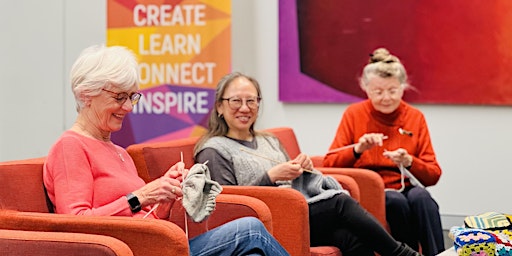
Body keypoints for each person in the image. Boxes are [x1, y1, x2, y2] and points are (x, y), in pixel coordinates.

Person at [43, 45, 289, 256]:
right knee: (249, 229)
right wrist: (141, 196)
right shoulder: (71, 146)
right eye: (119, 97)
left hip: (155, 244)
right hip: (135, 251)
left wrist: (165, 195)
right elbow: (74, 224)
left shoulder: (119, 151)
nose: (128, 107)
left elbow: (146, 219)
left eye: (132, 97)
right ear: (86, 95)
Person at [194, 71, 422, 256]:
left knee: (350, 238)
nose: (244, 108)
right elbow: (228, 206)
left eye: (251, 101)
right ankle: (402, 254)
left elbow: (291, 184)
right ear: (220, 107)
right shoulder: (214, 149)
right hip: (265, 222)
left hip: (297, 210)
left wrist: (301, 168)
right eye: (236, 101)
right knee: (339, 202)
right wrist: (270, 177)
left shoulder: (269, 140)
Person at [322, 48, 444, 256]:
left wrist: (409, 161)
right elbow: (329, 163)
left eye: (392, 91)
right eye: (378, 92)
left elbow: (433, 175)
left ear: (403, 88)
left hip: (404, 184)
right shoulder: (354, 114)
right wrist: (358, 150)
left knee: (423, 198)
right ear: (366, 89)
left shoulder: (415, 117)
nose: (386, 98)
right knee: (396, 202)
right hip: (371, 189)